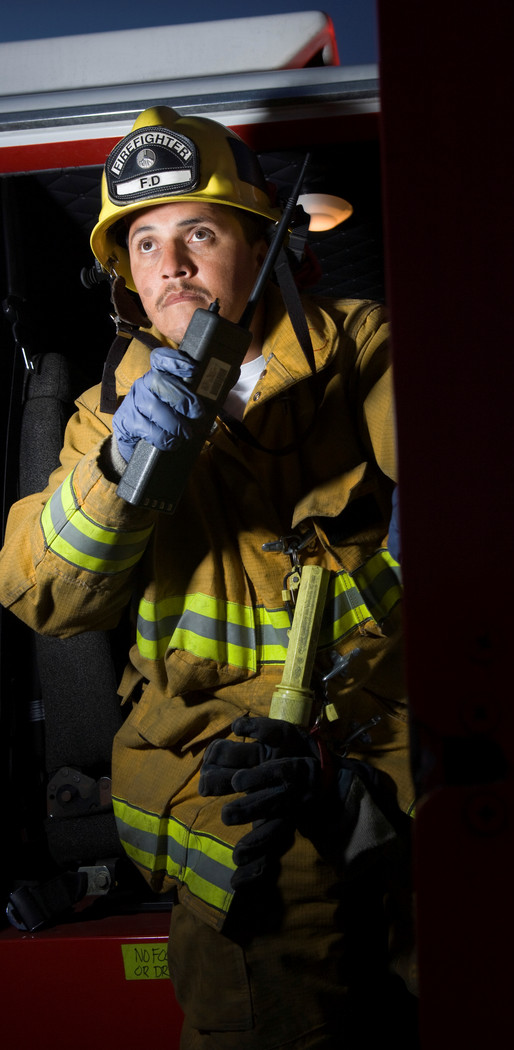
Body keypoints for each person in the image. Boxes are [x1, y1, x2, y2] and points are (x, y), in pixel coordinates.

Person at [0, 107, 415, 1048]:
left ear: (260, 242)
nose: (171, 264)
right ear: (126, 278)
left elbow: (479, 501)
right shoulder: (106, 417)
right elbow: (45, 596)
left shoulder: (361, 351)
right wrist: (117, 478)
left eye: (199, 231)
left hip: (379, 749)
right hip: (215, 778)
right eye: (144, 242)